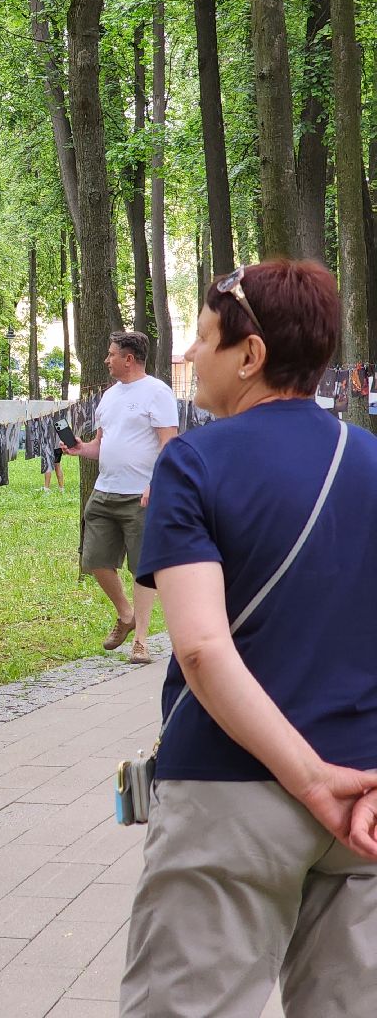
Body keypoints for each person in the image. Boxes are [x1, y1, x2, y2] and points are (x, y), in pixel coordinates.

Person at [120, 260, 377, 1016]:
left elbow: (199, 648)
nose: (192, 355)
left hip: (231, 797)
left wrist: (306, 779)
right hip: (364, 801)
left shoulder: (193, 463)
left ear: (251, 355)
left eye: (202, 337)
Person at [62, 331, 178, 664]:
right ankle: (125, 614)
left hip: (140, 495)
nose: (106, 359)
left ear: (128, 358)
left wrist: (157, 483)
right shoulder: (109, 396)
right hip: (105, 491)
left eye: (111, 354)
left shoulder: (158, 393)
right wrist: (80, 449)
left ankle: (140, 640)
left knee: (142, 568)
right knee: (95, 559)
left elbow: (169, 444)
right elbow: (101, 443)